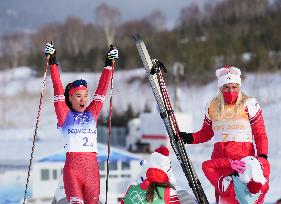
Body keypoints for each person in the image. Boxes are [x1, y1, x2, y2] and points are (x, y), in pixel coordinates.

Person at [179, 66, 270, 203]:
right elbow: (206, 133)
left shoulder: (249, 103)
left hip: (242, 161)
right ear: (220, 88)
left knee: (244, 198)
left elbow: (260, 134)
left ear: (239, 86)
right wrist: (190, 138)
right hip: (220, 160)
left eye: (234, 87)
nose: (231, 91)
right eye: (226, 87)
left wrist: (262, 157)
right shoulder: (212, 106)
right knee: (224, 197)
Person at [44, 42, 118, 204]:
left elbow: (101, 90)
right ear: (70, 98)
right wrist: (53, 62)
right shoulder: (64, 115)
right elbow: (57, 88)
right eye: (78, 96)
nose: (83, 99)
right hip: (73, 170)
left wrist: (109, 64)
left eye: (85, 95)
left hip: (92, 170)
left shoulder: (92, 114)